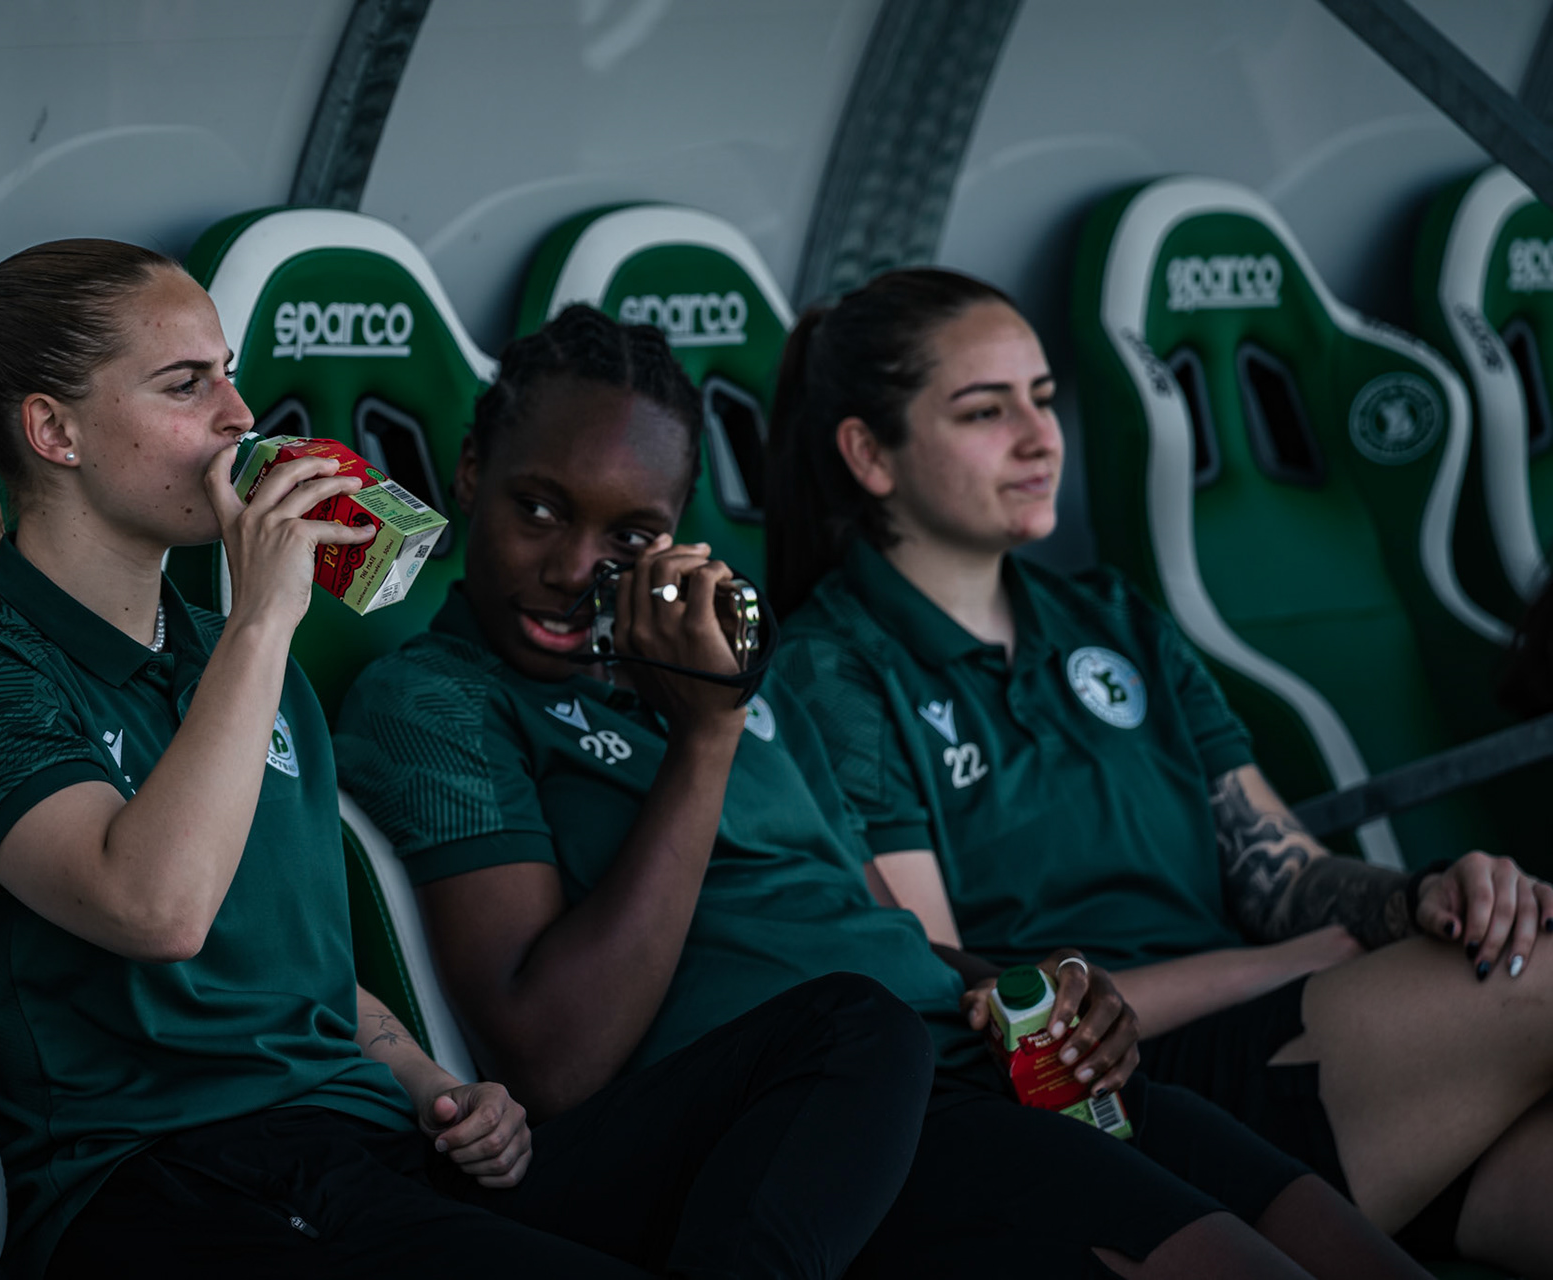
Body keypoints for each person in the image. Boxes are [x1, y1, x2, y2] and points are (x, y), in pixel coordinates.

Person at [0, 241, 937, 1280]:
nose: (240, 419)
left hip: (366, 1153)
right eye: (187, 384)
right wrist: (261, 624)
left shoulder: (242, 656)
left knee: (855, 1028)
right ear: (55, 430)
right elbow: (157, 909)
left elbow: (309, 970)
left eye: (231, 376)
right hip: (179, 1179)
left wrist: (439, 1084)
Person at [335, 303, 1426, 1279]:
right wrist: (703, 739)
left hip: (952, 1054)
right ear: (472, 471)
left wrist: (1040, 982)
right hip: (801, 1120)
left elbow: (878, 930)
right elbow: (556, 1058)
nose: (578, 566)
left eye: (629, 536)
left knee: (1324, 1232)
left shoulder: (719, 673)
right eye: (538, 509)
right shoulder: (438, 697)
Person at [764, 267, 1553, 1277]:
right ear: (870, 453)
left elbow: (1284, 871)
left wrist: (1421, 899)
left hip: (1315, 1038)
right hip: (1118, 1092)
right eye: (984, 410)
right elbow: (958, 1010)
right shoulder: (834, 669)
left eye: (1044, 399)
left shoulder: (1113, 616)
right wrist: (1303, 957)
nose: (1040, 436)